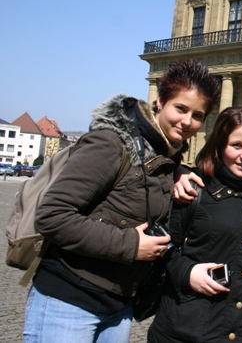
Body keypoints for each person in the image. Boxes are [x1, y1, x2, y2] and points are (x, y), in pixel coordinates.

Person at [23, 59, 221, 342]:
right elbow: (52, 216)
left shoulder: (165, 156)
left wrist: (177, 169)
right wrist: (131, 245)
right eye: (180, 108)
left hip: (119, 306)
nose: (187, 121)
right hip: (69, 297)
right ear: (160, 101)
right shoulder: (112, 142)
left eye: (198, 115)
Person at [148, 107, 242, 342]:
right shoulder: (192, 188)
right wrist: (186, 272)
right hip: (188, 330)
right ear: (219, 145)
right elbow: (159, 245)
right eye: (236, 145)